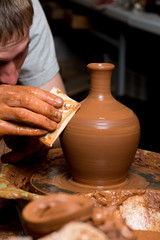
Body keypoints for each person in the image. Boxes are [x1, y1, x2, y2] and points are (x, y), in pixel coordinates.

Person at [0, 0, 66, 164]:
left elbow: (58, 130)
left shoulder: (23, 7)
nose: (12, 79)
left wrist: (41, 138)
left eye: (21, 54)